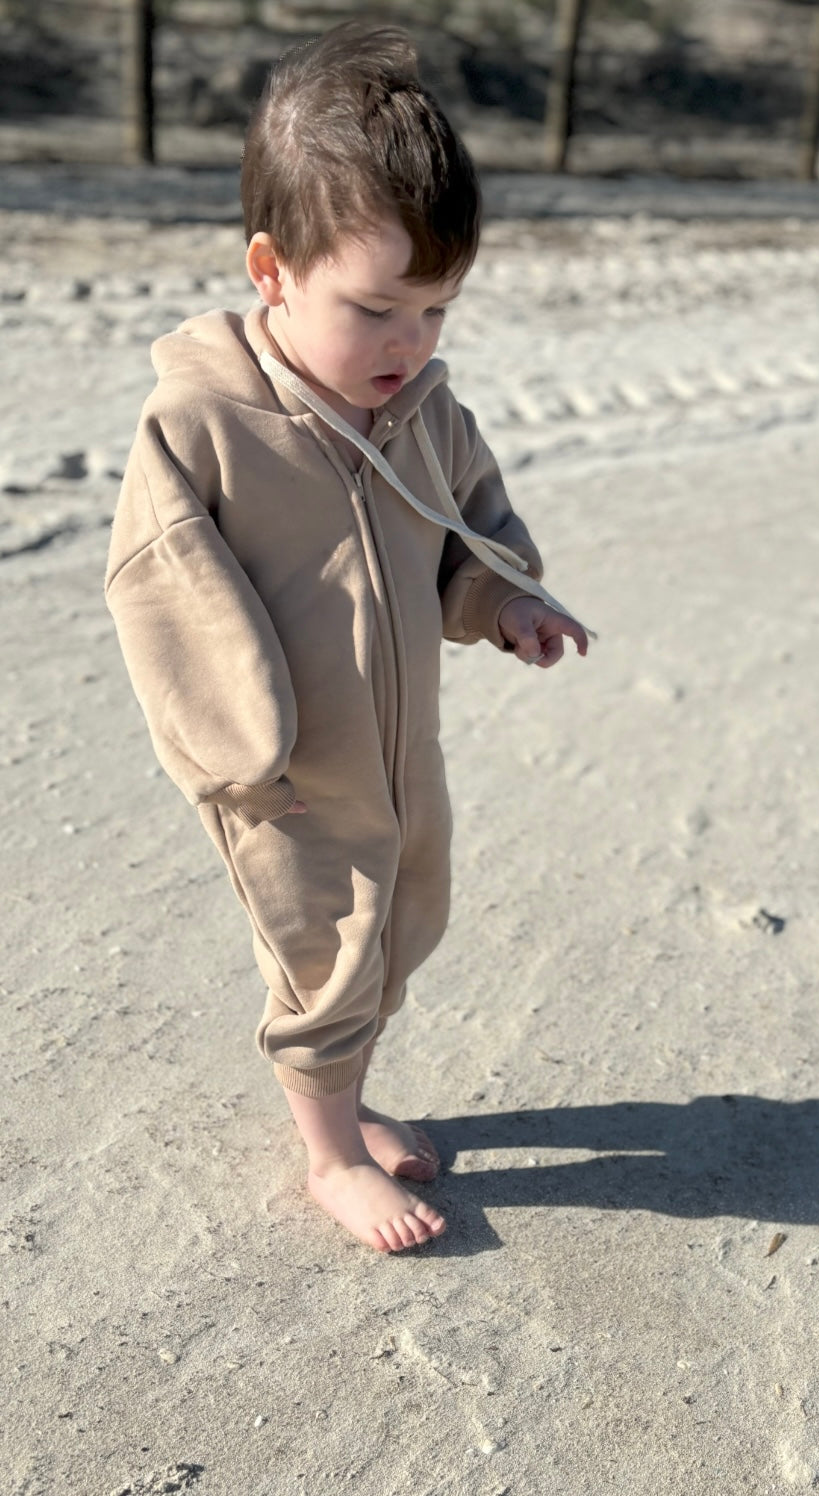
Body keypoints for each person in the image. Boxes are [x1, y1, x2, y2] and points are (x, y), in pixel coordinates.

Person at [104, 22, 589, 1254]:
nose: (409, 342)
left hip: (397, 747)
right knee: (324, 953)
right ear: (272, 271)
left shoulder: (425, 410)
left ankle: (350, 1101)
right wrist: (245, 754)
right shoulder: (201, 422)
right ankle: (326, 1156)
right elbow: (162, 585)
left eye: (435, 308)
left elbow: (464, 534)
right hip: (280, 768)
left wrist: (507, 602)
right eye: (374, 307)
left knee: (404, 918)